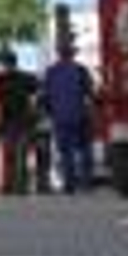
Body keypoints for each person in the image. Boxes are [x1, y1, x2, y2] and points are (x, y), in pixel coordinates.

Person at [41, 42, 96, 193]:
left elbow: (45, 97)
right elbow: (90, 93)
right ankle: (86, 183)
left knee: (66, 152)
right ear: (73, 54)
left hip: (60, 117)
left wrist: (49, 113)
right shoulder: (80, 70)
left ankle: (69, 184)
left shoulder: (51, 72)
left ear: (59, 54)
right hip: (80, 116)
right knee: (85, 150)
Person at [0, 50, 41, 194]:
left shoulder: (0, 80)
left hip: (10, 122)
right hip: (23, 121)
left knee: (10, 154)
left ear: (5, 63)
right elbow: (38, 91)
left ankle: (9, 185)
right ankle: (19, 186)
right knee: (19, 154)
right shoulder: (26, 78)